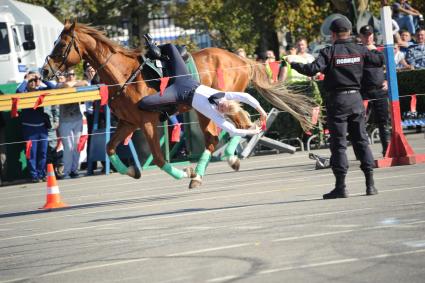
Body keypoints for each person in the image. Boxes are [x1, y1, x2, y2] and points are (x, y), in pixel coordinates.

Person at [286, 18, 384, 199]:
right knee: (361, 141)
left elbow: (312, 69)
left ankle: (341, 187)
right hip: (356, 99)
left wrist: (293, 63)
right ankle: (370, 185)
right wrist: (370, 47)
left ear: (332, 34)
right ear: (349, 32)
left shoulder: (329, 52)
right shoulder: (359, 49)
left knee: (338, 145)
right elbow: (379, 60)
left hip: (337, 101)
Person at [138, 43, 267, 138]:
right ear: (227, 101)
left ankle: (163, 111)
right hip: (186, 79)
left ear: (223, 113)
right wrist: (262, 112)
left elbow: (234, 131)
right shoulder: (222, 95)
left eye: (223, 109)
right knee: (171, 47)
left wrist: (252, 131)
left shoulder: (216, 116)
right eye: (225, 105)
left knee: (144, 103)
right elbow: (246, 97)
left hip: (179, 94)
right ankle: (153, 50)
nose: (222, 106)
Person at [16, 71, 55, 183]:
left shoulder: (40, 91)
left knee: (43, 153)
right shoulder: (23, 92)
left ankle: (42, 174)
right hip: (29, 128)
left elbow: (52, 88)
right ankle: (34, 175)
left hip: (41, 128)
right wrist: (26, 79)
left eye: (34, 80)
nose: (33, 82)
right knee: (31, 153)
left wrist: (41, 79)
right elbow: (18, 91)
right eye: (30, 81)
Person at [358, 25, 389, 157]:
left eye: (370, 35)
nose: (368, 37)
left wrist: (387, 80)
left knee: (383, 122)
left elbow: (383, 62)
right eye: (365, 35)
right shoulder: (357, 50)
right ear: (361, 37)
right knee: (360, 123)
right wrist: (370, 50)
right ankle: (363, 153)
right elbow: (374, 60)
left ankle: (386, 150)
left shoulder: (378, 50)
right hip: (363, 92)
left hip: (379, 90)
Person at [57, 69, 89, 179]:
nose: (71, 76)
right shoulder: (60, 85)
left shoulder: (77, 83)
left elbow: (85, 83)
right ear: (65, 76)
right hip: (65, 120)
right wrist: (74, 84)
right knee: (68, 147)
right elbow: (64, 86)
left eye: (73, 74)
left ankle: (74, 170)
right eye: (68, 74)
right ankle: (66, 172)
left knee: (76, 146)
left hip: (77, 119)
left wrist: (75, 83)